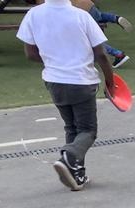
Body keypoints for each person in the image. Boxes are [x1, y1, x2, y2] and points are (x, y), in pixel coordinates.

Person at [17, 0, 115, 191]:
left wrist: (55, 61)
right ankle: (69, 157)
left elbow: (30, 53)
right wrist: (110, 80)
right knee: (87, 131)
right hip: (81, 82)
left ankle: (76, 174)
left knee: (72, 127)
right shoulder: (81, 17)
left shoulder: (33, 15)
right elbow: (101, 54)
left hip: (54, 82)